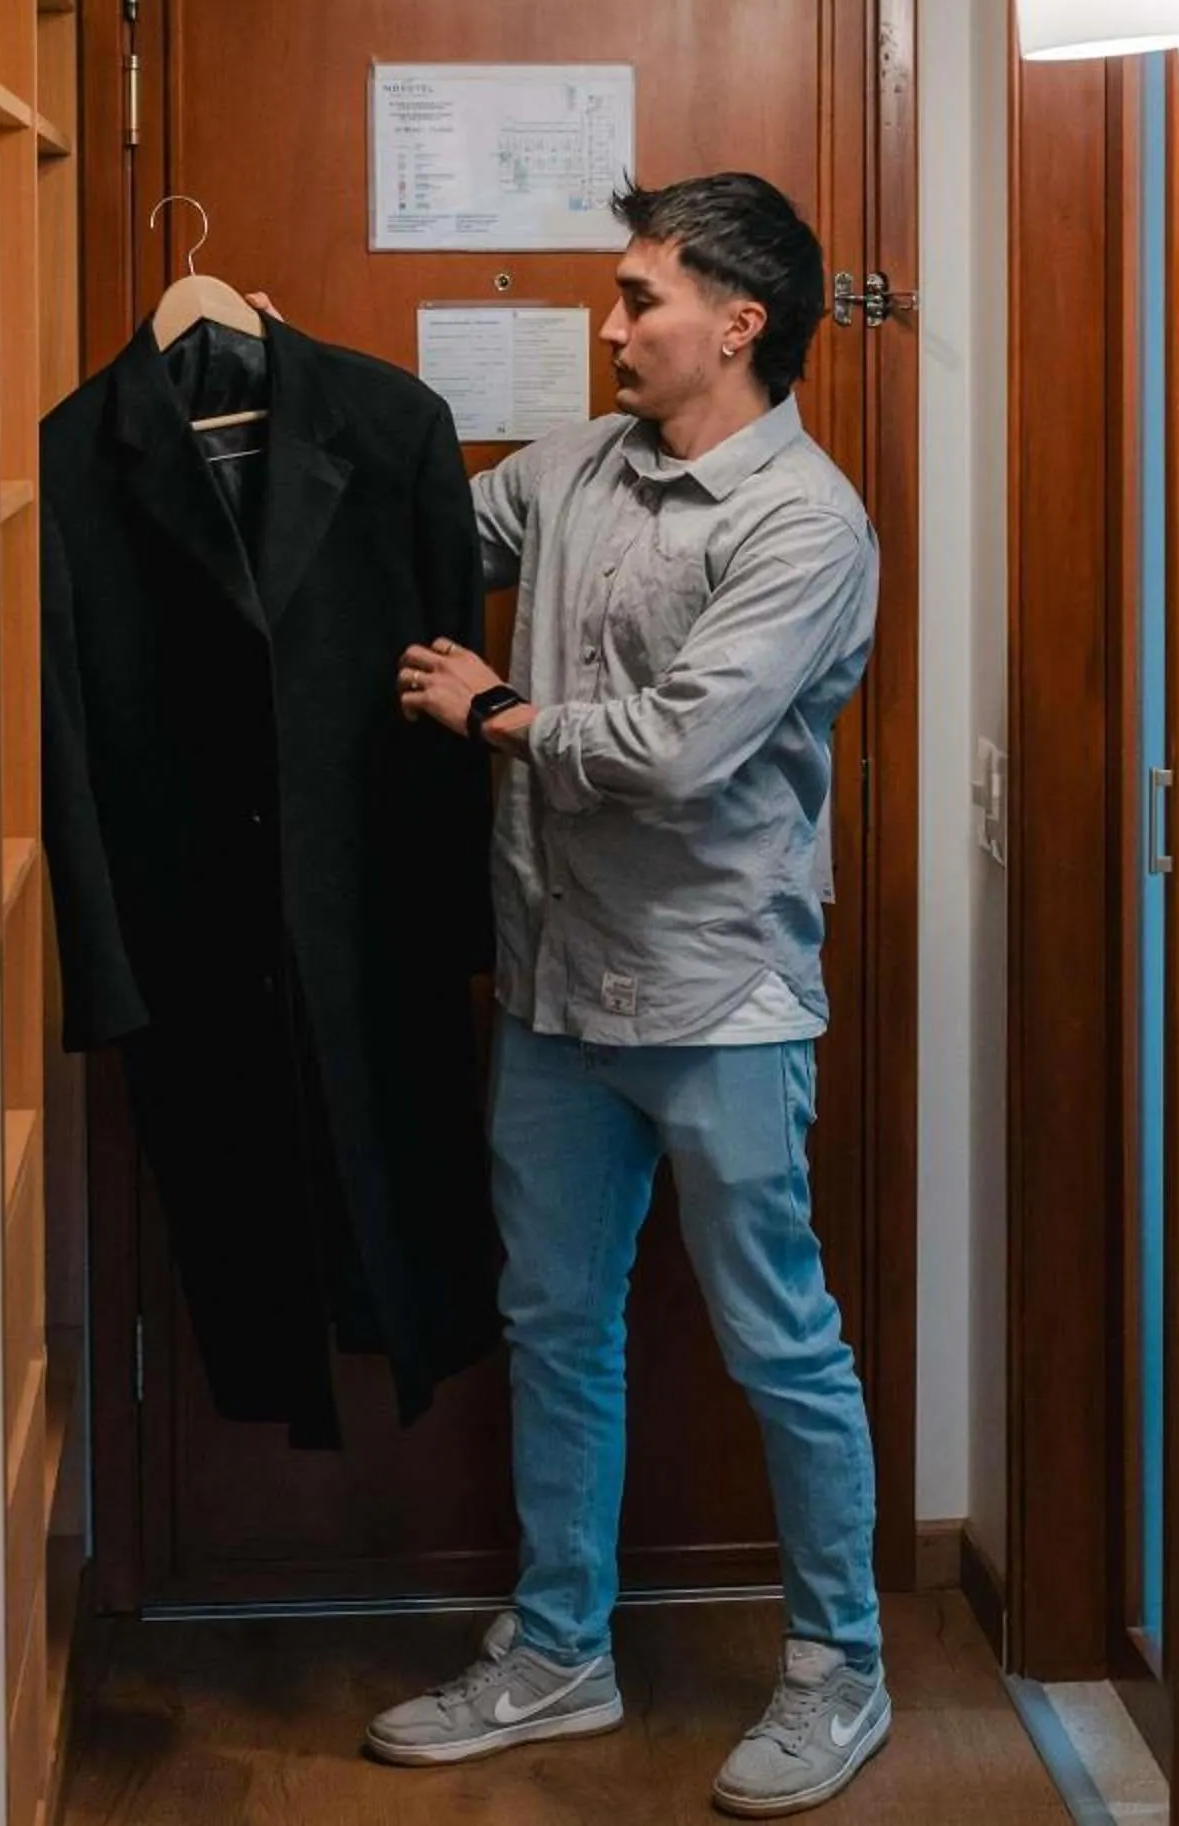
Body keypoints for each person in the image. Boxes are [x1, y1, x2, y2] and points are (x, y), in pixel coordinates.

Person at [368, 171, 888, 1818]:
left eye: (637, 296)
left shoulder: (809, 521)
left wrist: (496, 712)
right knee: (555, 1328)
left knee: (778, 1342)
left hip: (722, 1000)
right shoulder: (584, 464)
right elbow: (434, 531)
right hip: (556, 996)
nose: (608, 325)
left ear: (738, 321)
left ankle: (842, 1667)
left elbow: (672, 751)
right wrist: (284, 448)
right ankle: (560, 1651)